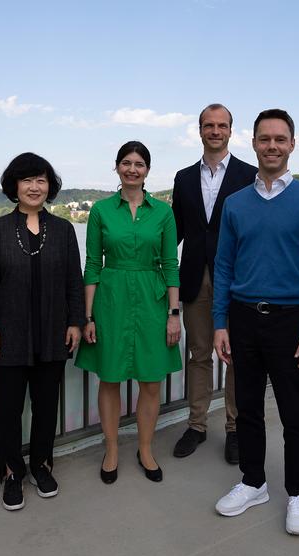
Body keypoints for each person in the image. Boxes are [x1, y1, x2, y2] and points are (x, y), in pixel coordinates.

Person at [212, 109, 299, 536]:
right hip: (243, 318)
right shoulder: (235, 204)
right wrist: (219, 323)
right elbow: (223, 265)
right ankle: (253, 482)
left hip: (291, 320)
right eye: (264, 139)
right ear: (254, 143)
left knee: (294, 410)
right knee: (247, 408)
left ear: (292, 144)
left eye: (280, 139)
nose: (272, 146)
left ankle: (298, 492)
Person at [0, 152, 83, 511]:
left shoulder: (65, 230)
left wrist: (75, 323)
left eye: (41, 180)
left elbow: (74, 282)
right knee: (8, 409)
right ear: (14, 186)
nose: (35, 187)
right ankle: (11, 472)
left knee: (45, 406)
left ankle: (41, 464)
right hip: (8, 336)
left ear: (49, 186)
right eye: (27, 180)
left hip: (53, 334)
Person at [76, 141, 182, 484]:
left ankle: (146, 448)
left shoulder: (163, 212)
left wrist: (173, 312)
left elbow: (170, 264)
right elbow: (92, 264)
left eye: (139, 164)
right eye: (126, 163)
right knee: (109, 379)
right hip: (111, 301)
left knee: (150, 381)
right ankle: (111, 449)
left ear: (147, 170)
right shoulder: (101, 211)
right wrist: (88, 316)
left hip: (152, 302)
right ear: (117, 167)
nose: (132, 169)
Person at [171, 104, 257, 463]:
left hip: (236, 280)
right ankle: (197, 425)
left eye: (222, 125)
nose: (215, 131)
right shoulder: (184, 177)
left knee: (236, 356)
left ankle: (235, 429)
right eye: (209, 125)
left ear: (231, 131)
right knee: (199, 354)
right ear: (200, 130)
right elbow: (173, 233)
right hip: (194, 278)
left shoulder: (249, 175)